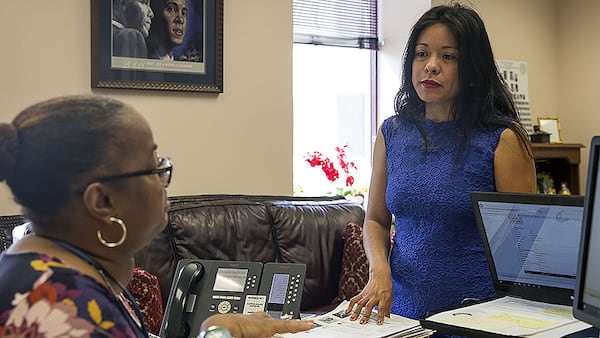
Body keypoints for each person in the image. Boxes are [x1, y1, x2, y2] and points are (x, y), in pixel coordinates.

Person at [0, 95, 313, 337]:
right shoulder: (64, 309)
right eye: (154, 166)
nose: (165, 177)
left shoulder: (49, 274)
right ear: (102, 201)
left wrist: (221, 329)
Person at [346, 3, 537, 326]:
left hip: (475, 316)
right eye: (422, 54)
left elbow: (523, 251)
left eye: (448, 57)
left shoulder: (502, 140)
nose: (431, 66)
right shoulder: (391, 132)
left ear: (472, 68)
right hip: (399, 317)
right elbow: (376, 220)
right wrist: (380, 271)